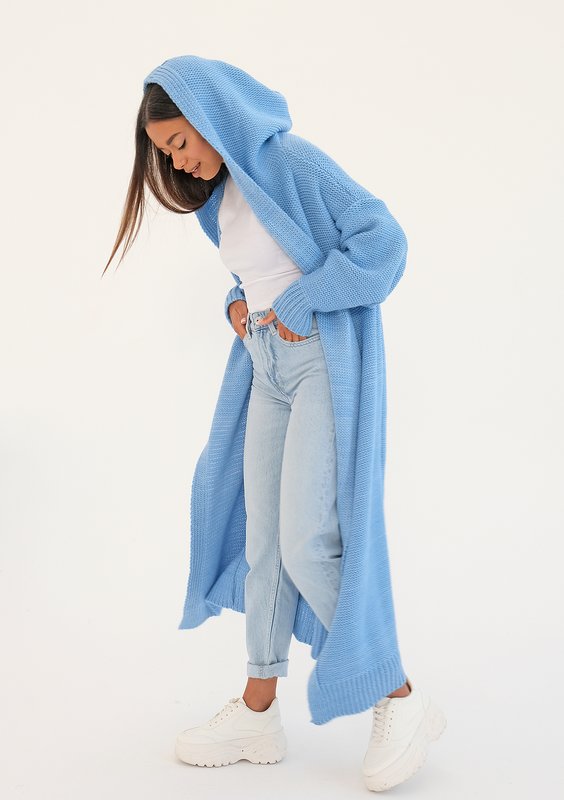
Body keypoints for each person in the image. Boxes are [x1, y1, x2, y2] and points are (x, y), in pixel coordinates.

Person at [103, 54, 446, 791]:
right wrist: (238, 304)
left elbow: (383, 242)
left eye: (180, 141)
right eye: (166, 152)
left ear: (211, 114)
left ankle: (400, 695)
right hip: (265, 366)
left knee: (306, 541)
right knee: (263, 544)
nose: (179, 160)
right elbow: (258, 270)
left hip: (319, 361)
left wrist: (300, 303)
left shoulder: (291, 161)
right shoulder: (218, 198)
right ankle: (258, 713)